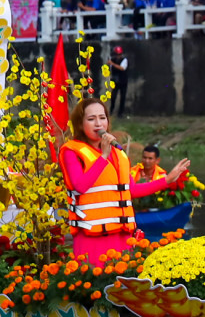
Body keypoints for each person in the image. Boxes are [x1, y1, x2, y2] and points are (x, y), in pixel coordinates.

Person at [61, 100, 190, 255]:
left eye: (102, 118)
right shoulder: (71, 151)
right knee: (94, 278)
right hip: (91, 234)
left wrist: (167, 180)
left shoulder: (118, 153)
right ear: (80, 124)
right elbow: (80, 186)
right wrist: (103, 156)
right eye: (91, 119)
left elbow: (131, 190)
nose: (98, 124)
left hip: (122, 234)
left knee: (124, 278)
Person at [107, 46, 130, 114]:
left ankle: (120, 113)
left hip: (123, 81)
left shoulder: (124, 60)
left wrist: (112, 64)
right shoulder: (112, 60)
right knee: (113, 97)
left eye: (119, 54)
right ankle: (111, 110)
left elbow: (122, 68)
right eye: (117, 54)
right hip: (115, 81)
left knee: (122, 97)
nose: (118, 56)